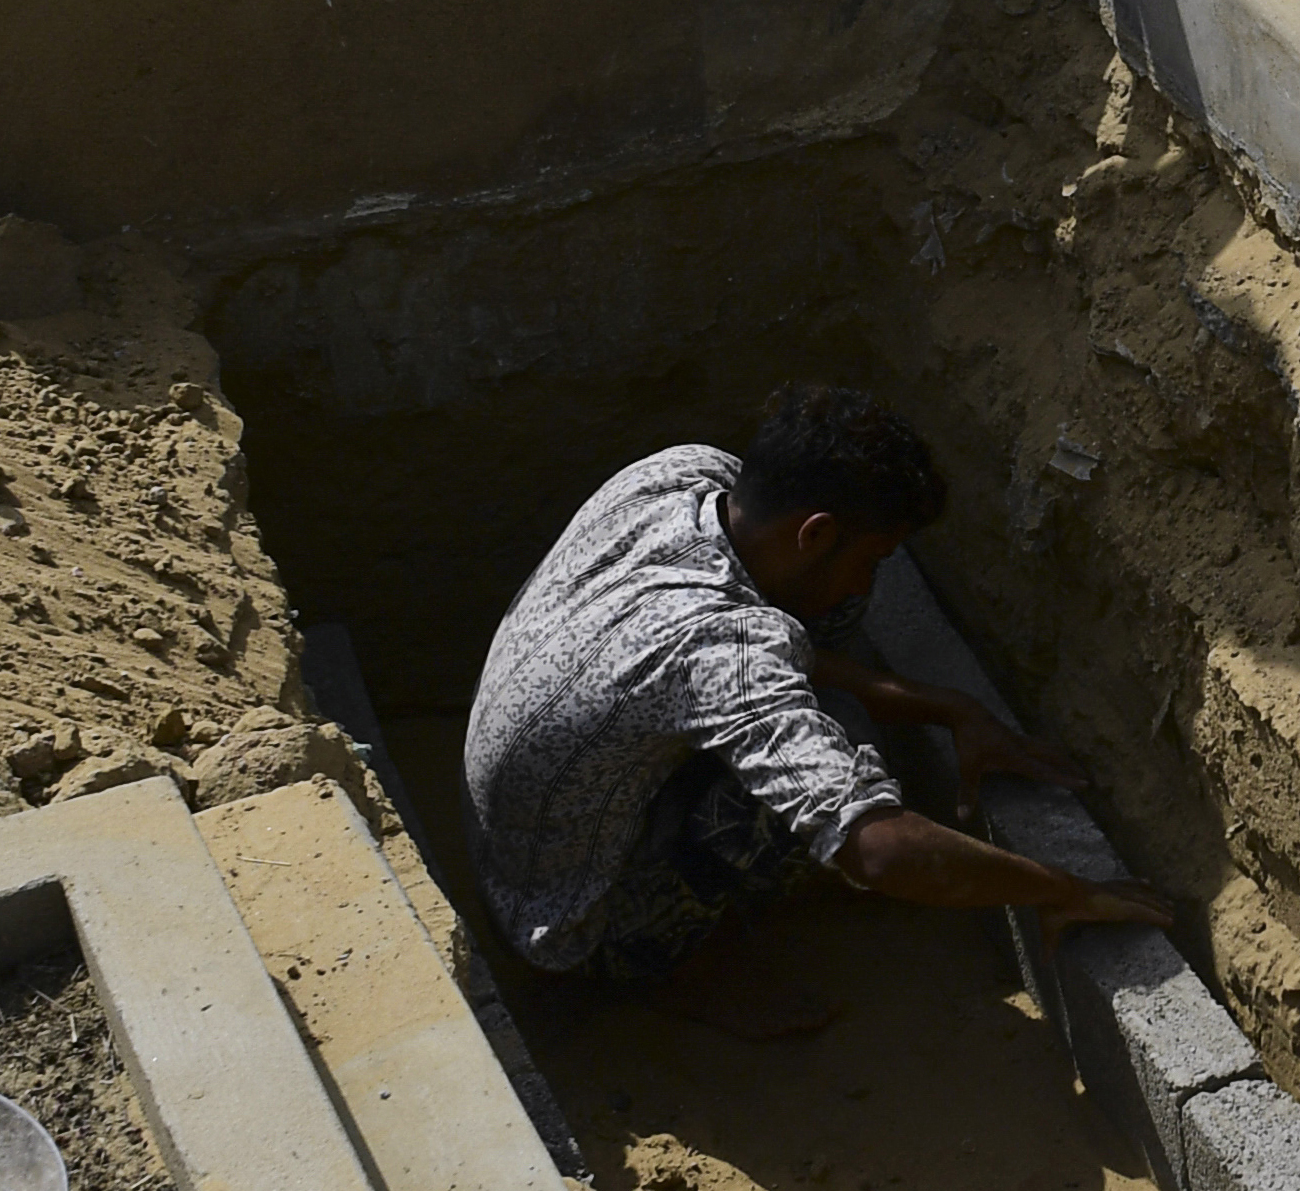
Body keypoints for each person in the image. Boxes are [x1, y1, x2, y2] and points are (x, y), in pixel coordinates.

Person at [463, 384, 1171, 1012]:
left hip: (514, 840)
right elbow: (879, 849)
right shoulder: (725, 650)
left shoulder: (682, 474)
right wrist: (1061, 887)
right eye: (869, 558)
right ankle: (676, 960)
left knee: (821, 635)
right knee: (817, 769)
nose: (867, 580)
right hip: (566, 923)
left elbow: (767, 651)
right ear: (816, 533)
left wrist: (949, 707)